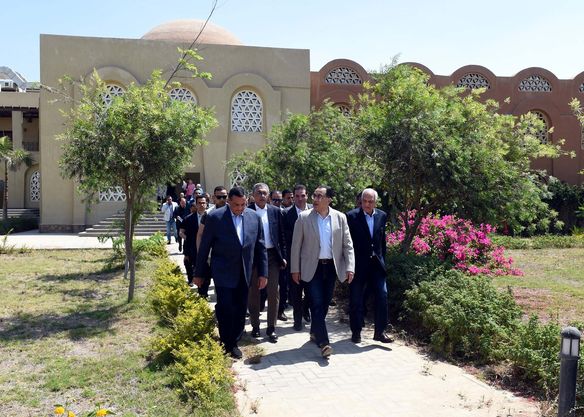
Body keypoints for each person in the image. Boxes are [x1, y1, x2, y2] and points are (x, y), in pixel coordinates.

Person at [194, 186, 268, 359]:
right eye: (236, 205)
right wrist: (199, 273)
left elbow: (260, 247)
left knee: (240, 308)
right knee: (225, 307)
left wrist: (263, 273)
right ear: (228, 202)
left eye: (243, 204)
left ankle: (234, 340)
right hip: (222, 272)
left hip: (245, 272)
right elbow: (204, 247)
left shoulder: (254, 218)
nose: (240, 208)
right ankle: (227, 342)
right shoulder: (215, 217)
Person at [290, 185, 354, 358]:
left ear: (329, 199)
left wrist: (350, 267)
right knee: (317, 303)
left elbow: (347, 245)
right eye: (314, 195)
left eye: (320, 196)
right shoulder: (304, 218)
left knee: (325, 303)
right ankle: (324, 343)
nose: (315, 199)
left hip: (331, 267)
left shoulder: (340, 217)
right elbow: (296, 246)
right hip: (312, 267)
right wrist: (295, 269)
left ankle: (314, 331)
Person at [346, 188, 393, 344]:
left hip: (377, 265)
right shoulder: (351, 216)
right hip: (358, 265)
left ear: (375, 202)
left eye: (370, 201)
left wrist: (383, 260)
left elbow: (382, 241)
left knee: (382, 295)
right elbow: (347, 243)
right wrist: (348, 265)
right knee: (356, 299)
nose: (367, 204)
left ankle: (380, 332)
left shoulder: (382, 216)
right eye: (364, 201)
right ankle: (356, 331)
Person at [247, 183, 287, 342]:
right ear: (253, 195)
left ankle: (271, 328)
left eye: (265, 193)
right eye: (259, 193)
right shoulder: (247, 211)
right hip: (254, 257)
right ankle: (255, 326)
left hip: (272, 257)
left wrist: (283, 256)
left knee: (273, 292)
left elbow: (281, 236)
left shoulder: (275, 211)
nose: (262, 196)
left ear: (268, 195)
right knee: (254, 292)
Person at [283, 184, 313, 327]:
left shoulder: (315, 211)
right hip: (293, 258)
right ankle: (297, 319)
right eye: (297, 196)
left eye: (303, 195)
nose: (300, 199)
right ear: (293, 197)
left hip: (312, 259)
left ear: (307, 196)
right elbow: (284, 237)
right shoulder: (286, 214)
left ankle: (305, 309)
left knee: (310, 290)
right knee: (295, 291)